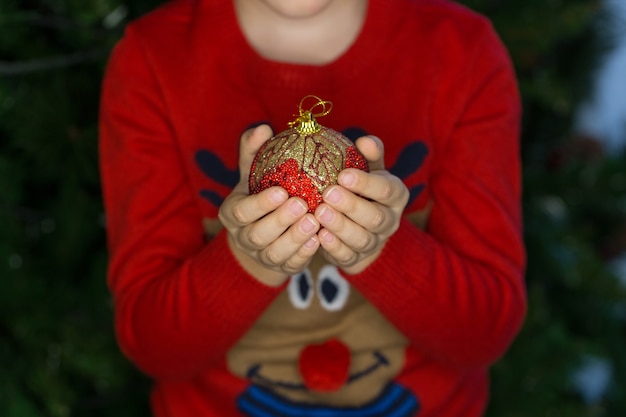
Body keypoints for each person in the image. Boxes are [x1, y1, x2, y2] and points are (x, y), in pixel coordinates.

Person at [98, 0, 527, 416]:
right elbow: (153, 345)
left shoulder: (462, 53)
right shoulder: (152, 61)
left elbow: (484, 333)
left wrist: (379, 246)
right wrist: (247, 259)